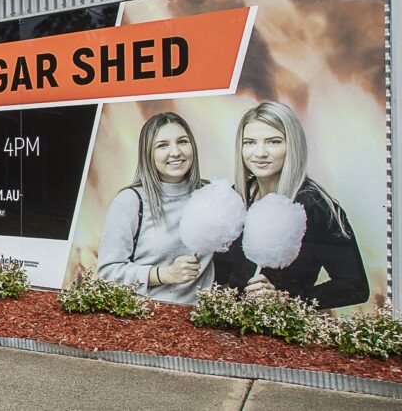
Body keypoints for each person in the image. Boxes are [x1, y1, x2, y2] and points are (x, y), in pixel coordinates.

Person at [214, 101, 370, 309]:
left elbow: (354, 286)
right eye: (250, 142)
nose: (260, 153)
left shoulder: (314, 206)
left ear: (293, 146)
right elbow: (223, 271)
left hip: (283, 326)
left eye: (273, 142)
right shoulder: (236, 197)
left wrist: (287, 300)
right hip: (232, 323)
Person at [97, 111, 213, 304]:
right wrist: (164, 274)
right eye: (162, 145)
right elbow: (107, 272)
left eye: (182, 142)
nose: (175, 152)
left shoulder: (212, 195)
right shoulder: (130, 201)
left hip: (202, 315)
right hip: (148, 314)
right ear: (148, 154)